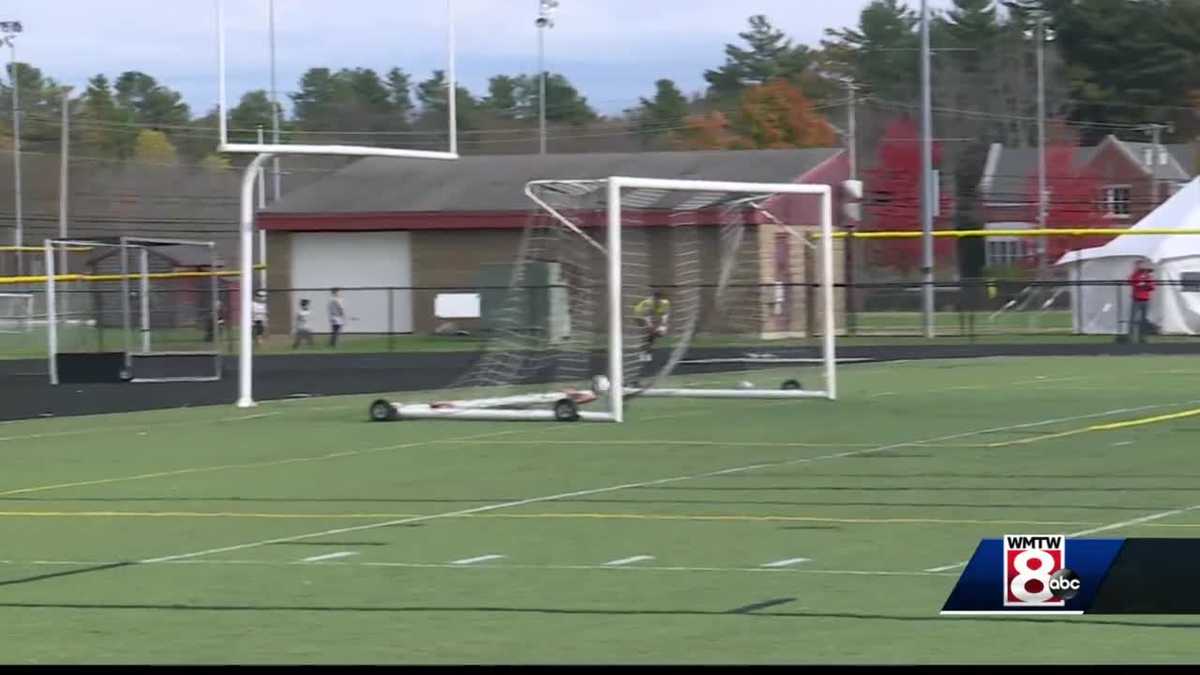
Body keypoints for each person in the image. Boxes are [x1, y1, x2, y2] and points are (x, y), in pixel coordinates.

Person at [632, 290, 670, 363]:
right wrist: (651, 327)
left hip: (651, 317)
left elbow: (665, 315)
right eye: (655, 299)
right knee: (649, 333)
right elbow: (647, 317)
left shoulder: (665, 303)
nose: (656, 301)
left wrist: (663, 326)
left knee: (657, 334)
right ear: (653, 298)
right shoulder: (648, 303)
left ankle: (647, 351)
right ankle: (643, 353)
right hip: (639, 315)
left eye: (658, 299)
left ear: (660, 299)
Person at [1128, 259, 1156, 343]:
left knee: (1144, 320)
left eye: (1141, 265)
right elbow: (1132, 283)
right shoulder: (1135, 275)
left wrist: (1144, 284)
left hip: (1146, 300)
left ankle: (1143, 338)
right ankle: (1131, 338)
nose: (1139, 266)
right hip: (1136, 299)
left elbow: (1152, 287)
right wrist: (1142, 284)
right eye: (1138, 265)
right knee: (1133, 319)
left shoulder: (1148, 275)